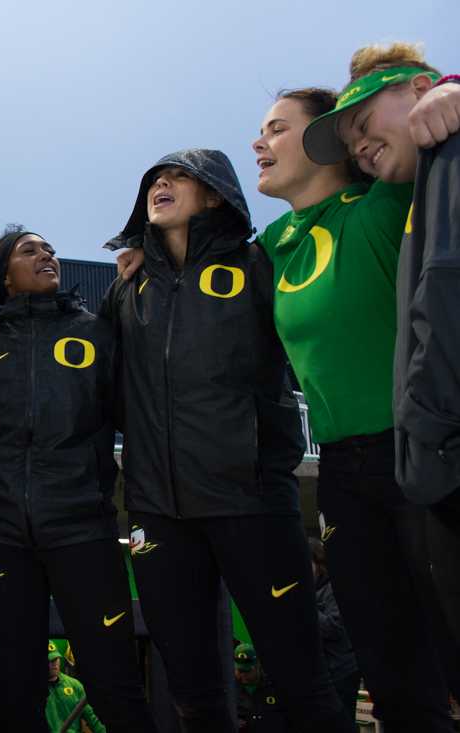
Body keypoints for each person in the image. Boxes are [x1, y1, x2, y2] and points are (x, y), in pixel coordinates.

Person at [101, 149, 348, 732]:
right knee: (193, 692)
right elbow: (105, 390)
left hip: (252, 503)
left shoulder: (258, 265)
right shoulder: (128, 290)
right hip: (158, 512)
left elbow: (308, 351)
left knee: (302, 682)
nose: (161, 183)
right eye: (154, 179)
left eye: (179, 176)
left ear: (215, 195)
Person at [303, 41, 460, 657]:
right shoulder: (426, 184)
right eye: (351, 147)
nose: (360, 150)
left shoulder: (447, 149)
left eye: (364, 126)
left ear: (420, 90)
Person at [0, 226, 154, 732]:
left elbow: (134, 415)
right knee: (14, 684)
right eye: (31, 250)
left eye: (50, 249)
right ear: (2, 274)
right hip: (0, 535)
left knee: (113, 678)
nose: (47, 255)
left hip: (82, 528)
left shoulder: (95, 331)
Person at [306, 537, 359, 722]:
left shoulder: (333, 588)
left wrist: (306, 608)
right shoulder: (311, 590)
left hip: (340, 672)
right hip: (321, 672)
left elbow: (334, 627)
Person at [45, 644, 106, 733]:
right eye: (49, 660)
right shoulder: (33, 689)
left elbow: (93, 718)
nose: (54, 663)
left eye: (56, 658)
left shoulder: (75, 685)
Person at [233, 644, 290, 733]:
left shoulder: (273, 686)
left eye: (247, 671)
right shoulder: (230, 689)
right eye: (240, 671)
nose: (243, 675)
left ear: (258, 666)